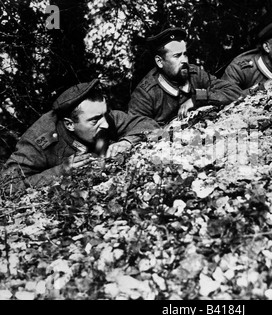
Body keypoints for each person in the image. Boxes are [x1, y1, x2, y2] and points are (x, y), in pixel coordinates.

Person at [0, 79, 155, 193]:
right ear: (69, 124)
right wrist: (61, 171)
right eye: (94, 120)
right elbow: (7, 186)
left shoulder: (101, 116)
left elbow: (148, 124)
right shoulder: (40, 139)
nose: (106, 125)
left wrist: (127, 142)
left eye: (104, 115)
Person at [127, 27, 243, 129]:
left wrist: (197, 98)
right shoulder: (145, 94)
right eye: (177, 56)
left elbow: (234, 92)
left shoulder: (195, 74)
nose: (184, 60)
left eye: (185, 54)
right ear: (160, 62)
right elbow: (134, 129)